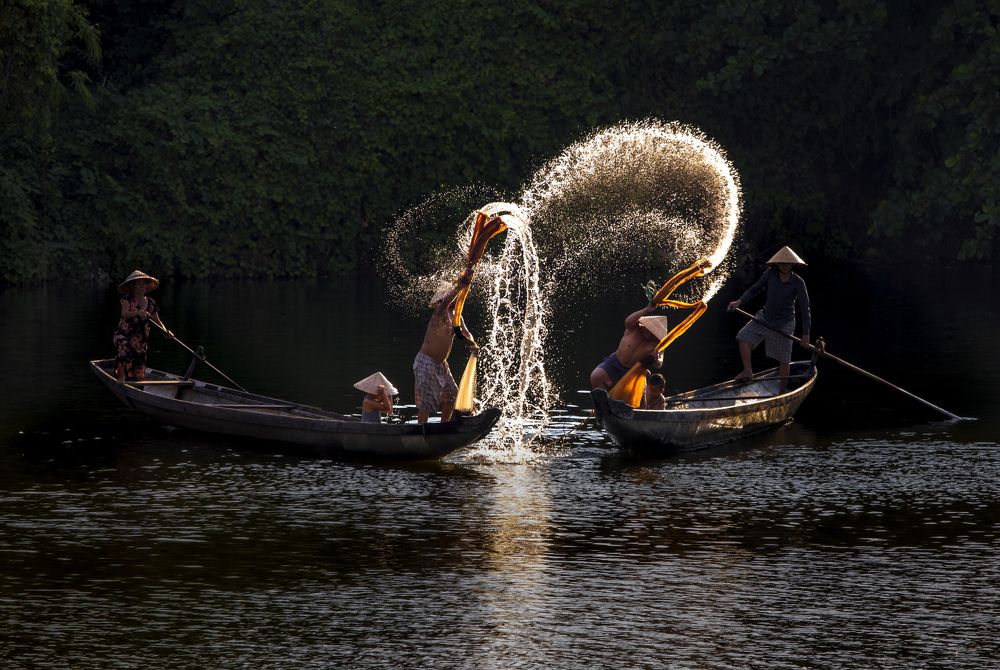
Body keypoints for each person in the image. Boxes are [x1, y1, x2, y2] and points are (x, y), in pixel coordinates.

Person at [726, 246, 811, 389]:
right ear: (777, 263)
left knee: (784, 359)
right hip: (765, 317)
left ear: (793, 264)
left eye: (788, 263)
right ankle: (748, 371)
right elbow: (755, 288)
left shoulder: (798, 282)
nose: (785, 266)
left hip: (785, 322)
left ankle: (782, 391)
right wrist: (739, 301)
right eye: (782, 263)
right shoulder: (770, 274)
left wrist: (806, 334)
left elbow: (805, 308)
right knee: (743, 338)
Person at [414, 278, 478, 424]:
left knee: (452, 396)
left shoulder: (456, 317)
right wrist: (459, 287)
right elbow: (445, 303)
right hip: (426, 361)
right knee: (426, 404)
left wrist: (473, 345)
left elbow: (466, 333)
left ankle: (444, 425)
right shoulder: (439, 313)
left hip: (441, 364)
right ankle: (421, 430)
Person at [112, 269, 173, 383]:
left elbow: (157, 321)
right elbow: (124, 314)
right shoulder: (127, 299)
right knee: (124, 350)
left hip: (141, 337)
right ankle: (121, 376)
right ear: (133, 286)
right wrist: (138, 313)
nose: (142, 286)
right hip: (124, 334)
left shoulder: (151, 303)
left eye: (144, 284)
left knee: (139, 363)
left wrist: (166, 332)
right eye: (139, 284)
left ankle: (137, 380)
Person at [589, 304, 669, 390]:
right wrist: (646, 310)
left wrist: (656, 360)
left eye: (652, 331)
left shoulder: (658, 344)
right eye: (648, 328)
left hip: (634, 371)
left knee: (640, 395)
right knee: (595, 377)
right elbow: (627, 321)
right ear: (644, 325)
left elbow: (659, 364)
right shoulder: (634, 328)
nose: (648, 333)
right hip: (615, 361)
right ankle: (605, 398)